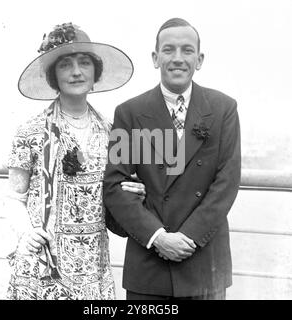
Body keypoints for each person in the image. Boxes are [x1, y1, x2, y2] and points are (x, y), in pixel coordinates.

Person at [103, 17, 241, 300]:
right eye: (168, 50)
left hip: (204, 263)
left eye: (187, 50)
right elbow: (115, 186)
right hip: (149, 263)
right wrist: (159, 238)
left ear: (199, 59)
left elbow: (226, 183)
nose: (178, 58)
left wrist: (188, 237)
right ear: (155, 58)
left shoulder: (223, 109)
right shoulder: (129, 113)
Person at [6, 22, 146, 300]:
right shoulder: (31, 131)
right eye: (65, 65)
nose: (76, 72)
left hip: (93, 266)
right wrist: (26, 232)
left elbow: (116, 196)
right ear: (53, 76)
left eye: (84, 63)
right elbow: (13, 198)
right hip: (42, 263)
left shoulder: (112, 132)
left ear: (96, 73)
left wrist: (134, 193)